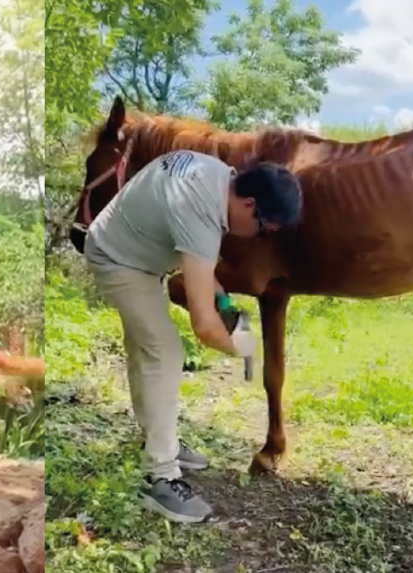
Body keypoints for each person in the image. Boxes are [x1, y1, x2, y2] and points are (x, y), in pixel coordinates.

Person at [83, 149, 303, 523]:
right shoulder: (200, 207)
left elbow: (196, 257)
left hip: (136, 256)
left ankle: (157, 437)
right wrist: (239, 347)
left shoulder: (214, 177)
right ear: (249, 204)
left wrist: (222, 299)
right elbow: (202, 325)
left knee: (146, 348)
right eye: (264, 229)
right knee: (165, 353)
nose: (259, 237)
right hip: (118, 260)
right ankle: (160, 477)